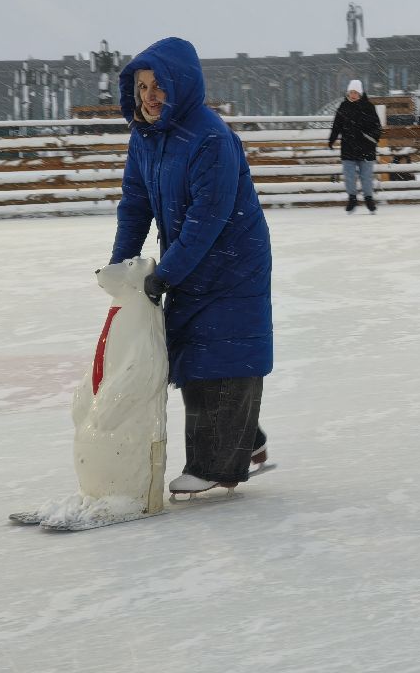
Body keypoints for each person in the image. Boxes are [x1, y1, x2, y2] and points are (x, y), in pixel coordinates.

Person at [110, 37, 274, 496]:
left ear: (180, 86)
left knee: (223, 348)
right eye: (142, 87)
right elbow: (135, 205)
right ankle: (245, 437)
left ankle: (216, 464)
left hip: (232, 259)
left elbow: (208, 217)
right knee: (191, 352)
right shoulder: (146, 137)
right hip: (190, 255)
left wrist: (166, 272)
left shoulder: (210, 137)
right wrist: (120, 264)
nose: (150, 96)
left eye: (159, 85)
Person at [328, 78, 382, 213]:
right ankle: (352, 199)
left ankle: (369, 199)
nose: (353, 95)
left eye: (355, 92)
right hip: (348, 147)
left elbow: (377, 127)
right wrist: (332, 139)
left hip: (366, 148)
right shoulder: (343, 106)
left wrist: (371, 137)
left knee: (366, 176)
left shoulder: (369, 107)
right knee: (349, 175)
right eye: (351, 92)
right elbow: (337, 125)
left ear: (360, 93)